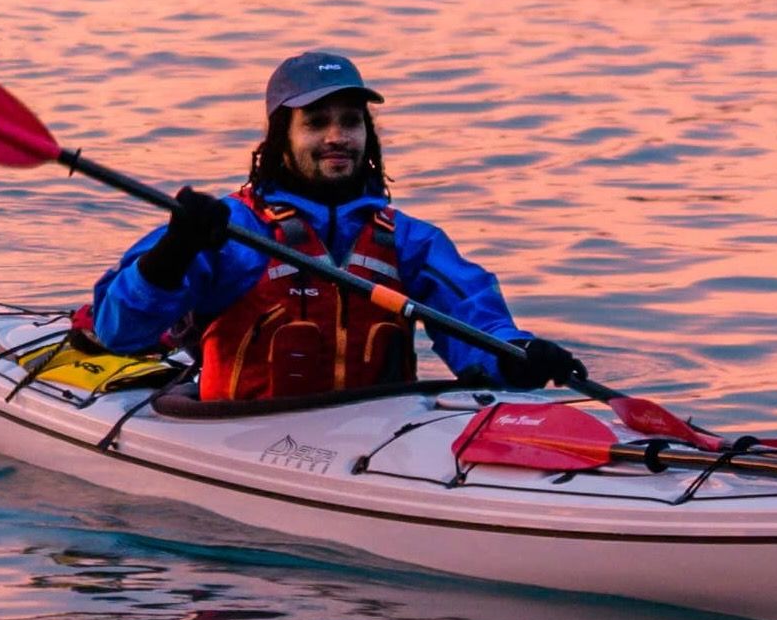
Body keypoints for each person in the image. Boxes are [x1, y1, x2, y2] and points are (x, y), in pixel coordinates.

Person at [86, 48, 592, 411]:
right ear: (282, 136)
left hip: (376, 438)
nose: (337, 137)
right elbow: (119, 331)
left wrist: (517, 357)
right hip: (237, 435)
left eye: (350, 121)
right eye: (316, 121)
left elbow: (477, 327)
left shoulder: (412, 242)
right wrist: (174, 250)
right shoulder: (229, 230)